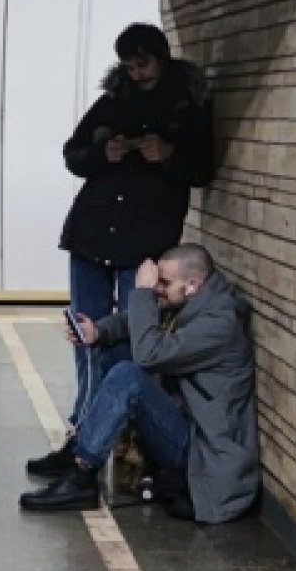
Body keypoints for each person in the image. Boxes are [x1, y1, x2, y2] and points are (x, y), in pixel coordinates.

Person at [21, 244, 259, 525]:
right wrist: (98, 331)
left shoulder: (218, 324)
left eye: (165, 283)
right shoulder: (195, 303)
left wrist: (143, 292)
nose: (158, 289)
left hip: (203, 453)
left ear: (192, 285)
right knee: (111, 350)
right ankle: (80, 452)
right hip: (189, 427)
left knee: (130, 376)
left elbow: (149, 354)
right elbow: (141, 320)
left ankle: (81, 474)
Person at [58, 23, 215, 423]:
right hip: (92, 233)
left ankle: (124, 433)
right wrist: (101, 153)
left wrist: (168, 154)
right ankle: (85, 423)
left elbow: (203, 167)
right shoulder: (114, 99)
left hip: (146, 241)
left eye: (143, 64)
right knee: (86, 333)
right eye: (128, 66)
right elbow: (73, 154)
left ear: (161, 58)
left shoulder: (188, 102)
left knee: (133, 334)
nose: (137, 74)